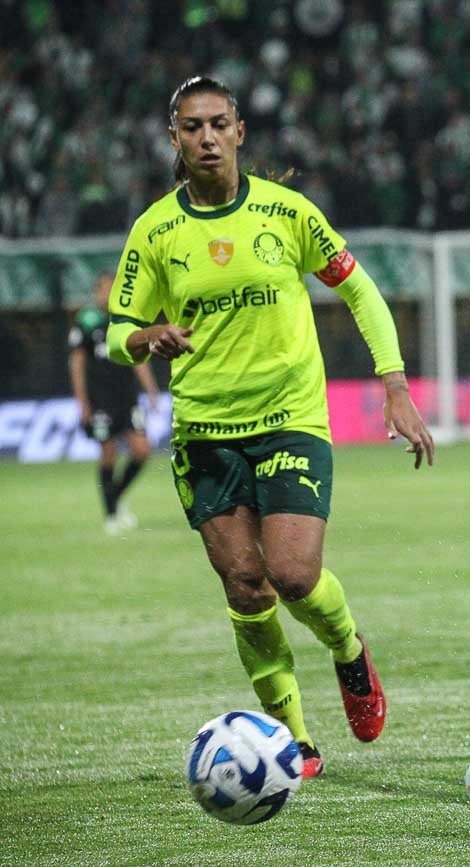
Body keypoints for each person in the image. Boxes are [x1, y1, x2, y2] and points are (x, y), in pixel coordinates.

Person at [106, 76, 435, 778]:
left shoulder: (286, 213)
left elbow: (359, 287)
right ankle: (293, 740)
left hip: (291, 420)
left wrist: (396, 385)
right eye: (191, 127)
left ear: (239, 131)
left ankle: (348, 648)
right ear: (174, 138)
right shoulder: (155, 231)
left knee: (291, 573)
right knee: (245, 585)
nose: (206, 137)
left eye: (218, 124)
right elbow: (116, 332)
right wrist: (144, 338)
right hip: (205, 432)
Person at [69, 271, 160, 533]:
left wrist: (151, 391)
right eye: (104, 290)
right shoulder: (86, 322)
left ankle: (115, 497)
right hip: (100, 401)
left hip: (128, 398)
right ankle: (110, 514)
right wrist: (82, 403)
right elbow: (77, 363)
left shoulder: (125, 320)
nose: (108, 295)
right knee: (108, 453)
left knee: (142, 450)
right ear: (96, 292)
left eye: (113, 289)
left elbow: (138, 360)